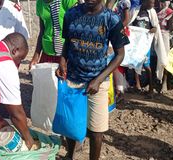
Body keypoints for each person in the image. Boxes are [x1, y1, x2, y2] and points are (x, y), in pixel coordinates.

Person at [56, 0, 130, 159]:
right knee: (72, 122)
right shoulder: (71, 14)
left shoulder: (111, 19)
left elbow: (120, 55)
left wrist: (99, 79)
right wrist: (62, 60)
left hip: (98, 82)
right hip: (73, 80)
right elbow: (68, 41)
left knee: (96, 130)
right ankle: (70, 155)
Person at [29, 0, 77, 69]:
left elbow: (77, 29)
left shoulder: (67, 1)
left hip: (66, 54)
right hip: (47, 54)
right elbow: (42, 31)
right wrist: (36, 56)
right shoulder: (40, 3)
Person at [130, 0, 158, 96]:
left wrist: (152, 30)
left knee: (146, 65)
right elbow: (130, 24)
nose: (153, 5)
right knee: (135, 63)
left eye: (153, 3)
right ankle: (137, 86)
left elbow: (155, 26)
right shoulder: (135, 10)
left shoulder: (152, 12)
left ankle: (151, 88)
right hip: (136, 43)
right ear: (145, 2)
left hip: (145, 43)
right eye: (151, 3)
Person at [157, 0, 173, 91]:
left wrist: (172, 18)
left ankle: (164, 82)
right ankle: (157, 81)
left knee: (166, 59)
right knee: (155, 59)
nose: (162, 3)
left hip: (167, 38)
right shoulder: (155, 9)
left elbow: (171, 28)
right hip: (156, 37)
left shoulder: (170, 11)